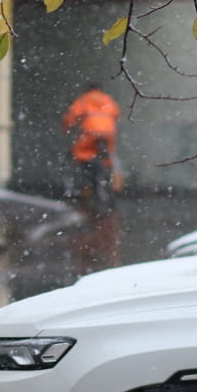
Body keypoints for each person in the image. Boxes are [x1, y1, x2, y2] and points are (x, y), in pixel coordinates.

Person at [62, 82, 122, 273]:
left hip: (90, 132)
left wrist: (68, 126)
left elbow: (71, 118)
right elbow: (116, 114)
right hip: (107, 132)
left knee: (83, 154)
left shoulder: (83, 100)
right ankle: (105, 185)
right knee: (106, 159)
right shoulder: (107, 99)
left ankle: (87, 187)